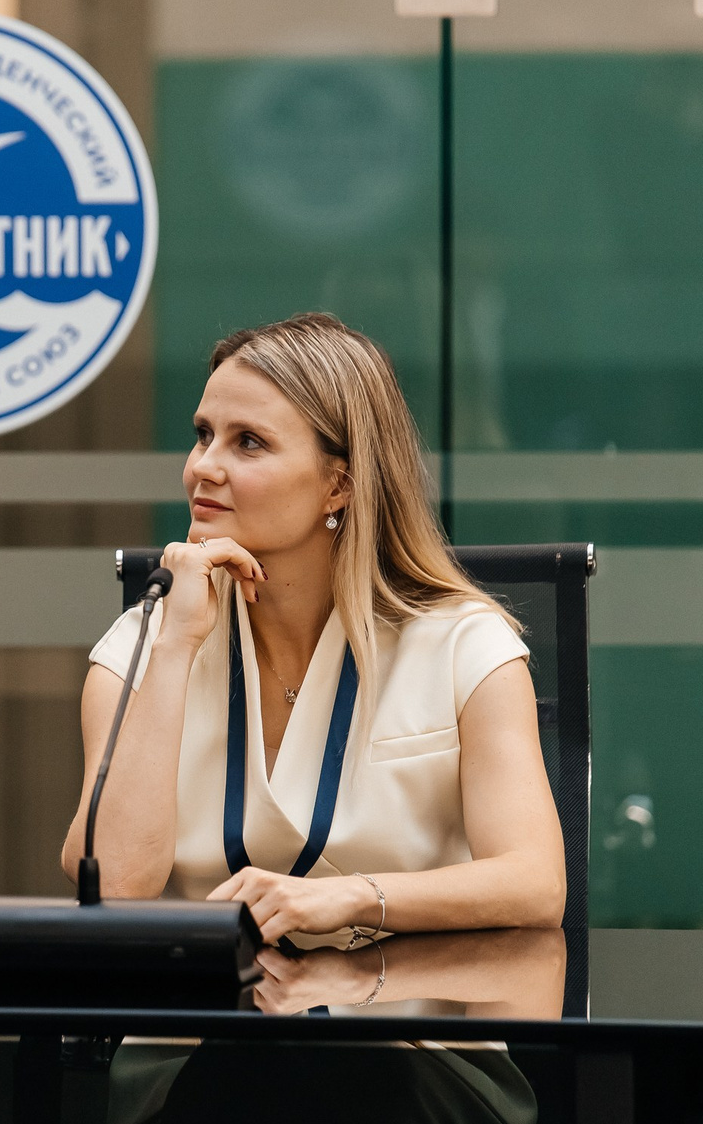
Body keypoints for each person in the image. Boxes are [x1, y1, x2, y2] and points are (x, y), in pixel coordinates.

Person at [60, 312, 565, 946]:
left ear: (339, 485)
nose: (203, 467)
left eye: (249, 443)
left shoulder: (466, 647)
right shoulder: (141, 647)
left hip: (408, 1002)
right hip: (208, 1007)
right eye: (203, 434)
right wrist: (175, 647)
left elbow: (536, 883)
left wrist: (349, 896)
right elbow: (112, 885)